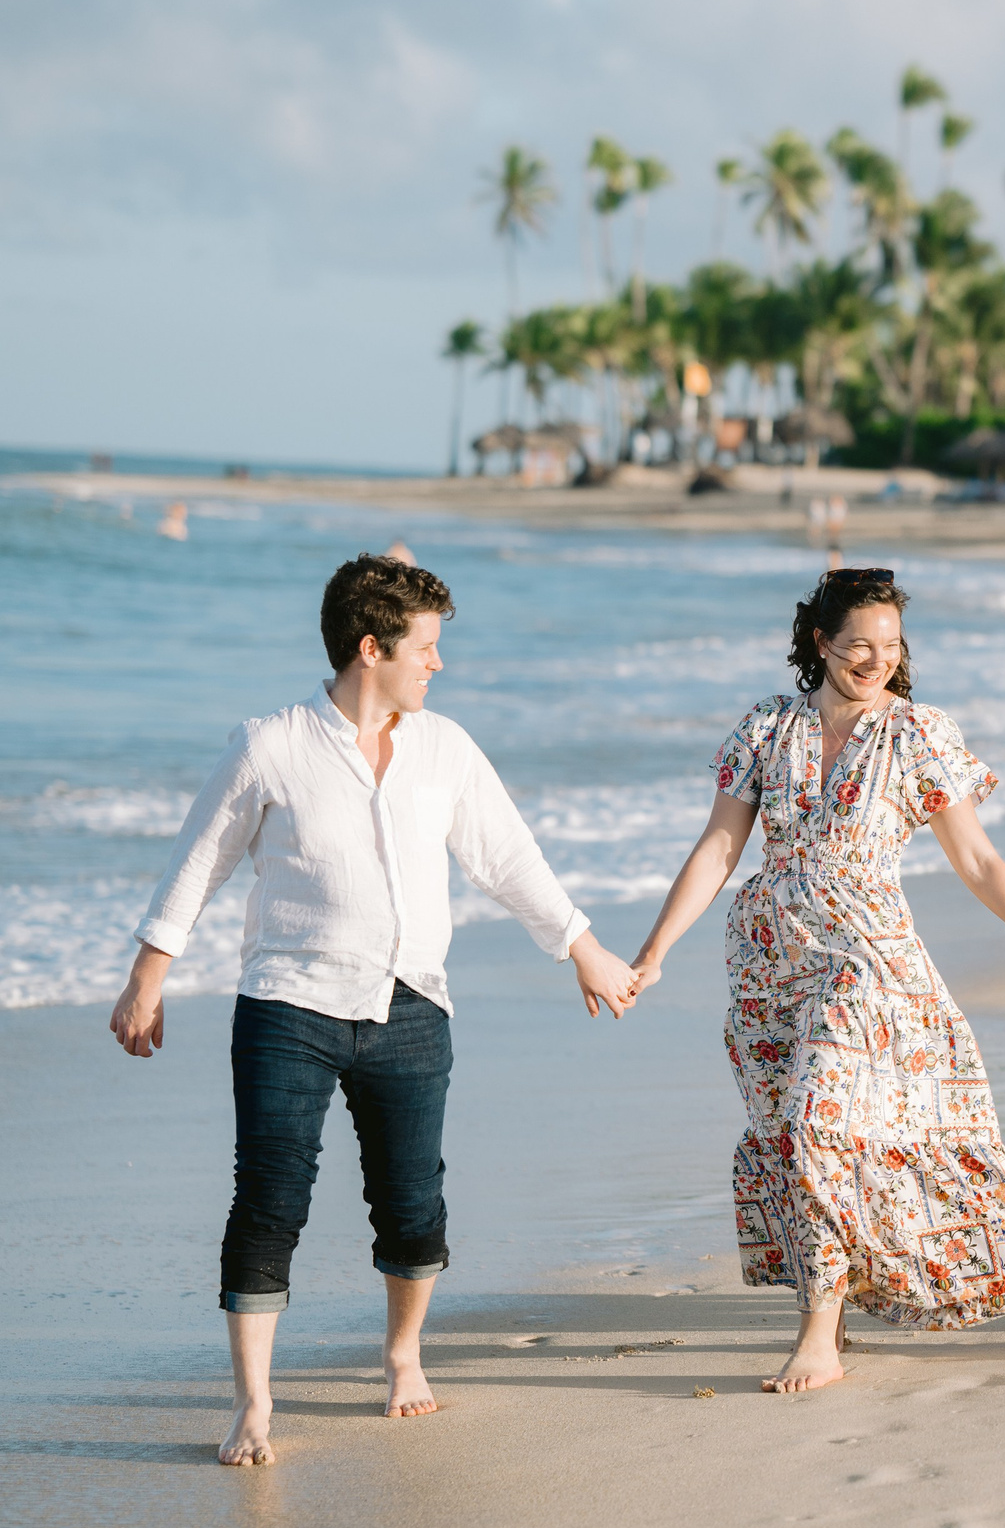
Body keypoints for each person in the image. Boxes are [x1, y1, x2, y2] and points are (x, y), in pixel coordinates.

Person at [107, 554, 641, 1467]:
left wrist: (581, 946)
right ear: (371, 648)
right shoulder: (270, 744)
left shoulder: (445, 748)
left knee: (412, 1202)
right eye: (425, 649)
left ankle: (402, 1357)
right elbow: (198, 864)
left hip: (412, 1008)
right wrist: (146, 978)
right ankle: (253, 1404)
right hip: (289, 1008)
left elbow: (507, 858)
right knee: (270, 1200)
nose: (437, 665)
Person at [629, 568, 1005, 1392]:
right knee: (794, 1136)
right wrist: (654, 951)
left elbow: (973, 857)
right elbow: (719, 847)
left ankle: (819, 1334)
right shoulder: (765, 728)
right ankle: (836, 1291)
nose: (877, 659)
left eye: (892, 644)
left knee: (814, 1119)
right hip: (768, 956)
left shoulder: (918, 733)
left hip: (869, 958)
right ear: (821, 642)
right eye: (860, 643)